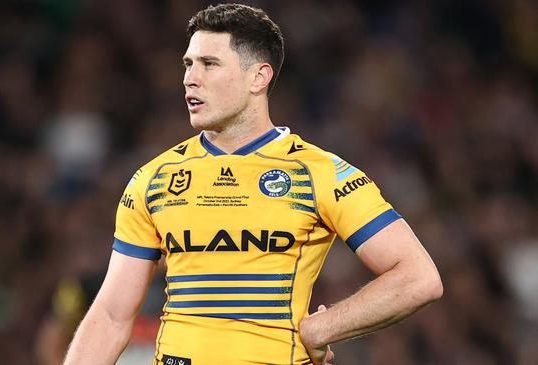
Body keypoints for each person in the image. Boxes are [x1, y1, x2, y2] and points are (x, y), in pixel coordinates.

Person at [63, 3, 443, 365]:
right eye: (188, 64)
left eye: (209, 64)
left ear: (258, 77)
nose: (190, 78)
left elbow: (417, 276)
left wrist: (323, 328)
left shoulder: (320, 172)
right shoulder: (154, 179)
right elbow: (112, 316)